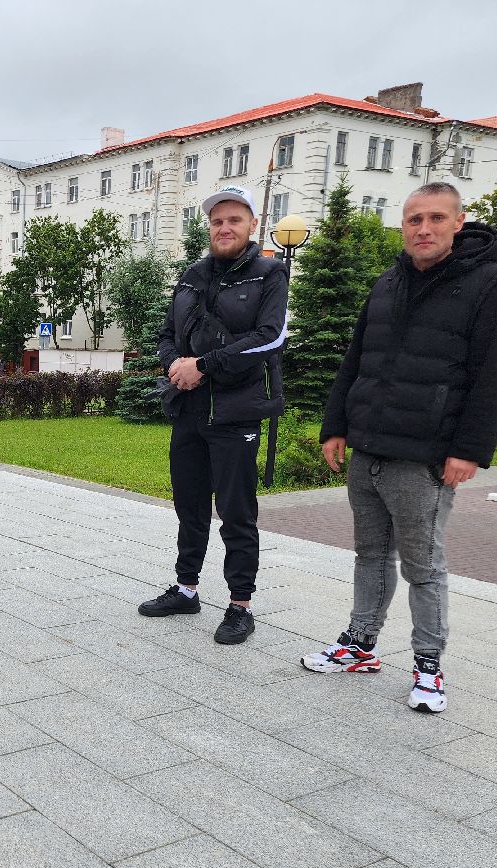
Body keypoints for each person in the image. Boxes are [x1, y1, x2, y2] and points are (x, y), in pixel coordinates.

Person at [301, 182, 497, 713]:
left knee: (422, 565)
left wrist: (469, 450)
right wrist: (336, 426)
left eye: (436, 219)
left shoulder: (490, 284)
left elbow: (494, 375)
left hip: (424, 457)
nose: (424, 228)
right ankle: (360, 644)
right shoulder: (387, 283)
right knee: (369, 554)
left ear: (458, 224)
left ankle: (428, 667)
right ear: (403, 225)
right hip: (369, 448)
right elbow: (358, 359)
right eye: (414, 219)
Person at [137, 184, 288, 645]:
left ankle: (240, 605)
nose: (225, 228)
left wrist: (203, 366)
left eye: (234, 220)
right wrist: (175, 367)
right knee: (189, 506)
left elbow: (269, 337)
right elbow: (167, 334)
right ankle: (186, 589)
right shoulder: (191, 275)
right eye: (217, 221)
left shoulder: (269, 274)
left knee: (237, 513)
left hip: (237, 414)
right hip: (190, 412)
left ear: (251, 226)